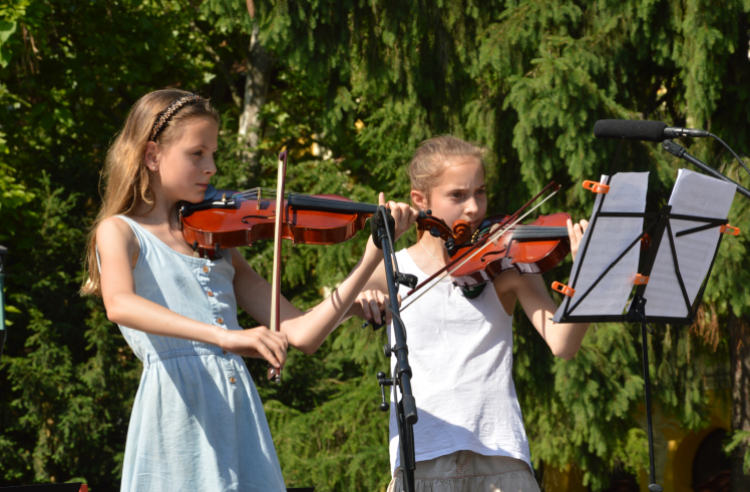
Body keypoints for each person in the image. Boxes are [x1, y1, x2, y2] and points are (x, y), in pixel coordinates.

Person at [81, 89, 417, 492]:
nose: (211, 167)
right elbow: (119, 305)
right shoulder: (119, 231)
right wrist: (226, 336)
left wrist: (370, 261)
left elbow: (302, 333)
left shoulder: (216, 244)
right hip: (177, 410)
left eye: (213, 154)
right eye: (197, 154)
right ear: (152, 155)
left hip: (237, 410)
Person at [350, 136, 590, 492]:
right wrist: (361, 297)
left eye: (480, 192)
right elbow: (318, 319)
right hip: (423, 463)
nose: (474, 208)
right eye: (458, 196)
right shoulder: (392, 267)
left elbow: (563, 344)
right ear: (420, 200)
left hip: (500, 461)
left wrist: (588, 275)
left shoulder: (507, 265)